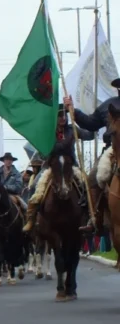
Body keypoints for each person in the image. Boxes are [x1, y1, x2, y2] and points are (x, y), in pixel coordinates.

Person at [23, 104, 95, 232]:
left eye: (64, 115)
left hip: (70, 166)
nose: (63, 118)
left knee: (87, 185)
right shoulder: (48, 132)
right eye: (60, 115)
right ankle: (31, 219)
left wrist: (92, 125)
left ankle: (90, 216)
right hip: (51, 166)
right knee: (34, 185)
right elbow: (41, 152)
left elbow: (89, 135)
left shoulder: (72, 129)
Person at [64, 85, 120, 234]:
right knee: (92, 178)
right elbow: (91, 123)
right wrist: (73, 110)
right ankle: (94, 217)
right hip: (113, 149)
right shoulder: (108, 106)